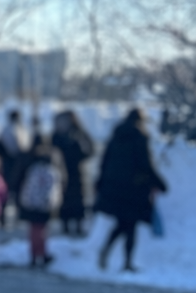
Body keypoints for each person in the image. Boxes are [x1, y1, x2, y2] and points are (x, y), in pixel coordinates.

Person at [95, 108, 168, 273]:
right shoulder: (139, 138)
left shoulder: (115, 137)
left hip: (114, 189)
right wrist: (159, 183)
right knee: (129, 225)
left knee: (124, 224)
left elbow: (104, 162)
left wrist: (101, 184)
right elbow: (145, 164)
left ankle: (110, 252)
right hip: (133, 189)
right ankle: (126, 261)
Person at [16, 134, 65, 267]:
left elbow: (19, 178)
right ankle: (42, 254)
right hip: (45, 203)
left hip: (30, 201)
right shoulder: (53, 162)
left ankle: (34, 254)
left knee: (33, 229)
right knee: (42, 230)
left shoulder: (29, 159)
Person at [52, 109, 94, 237]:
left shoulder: (79, 133)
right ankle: (67, 224)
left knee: (77, 199)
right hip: (63, 171)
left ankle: (77, 224)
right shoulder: (58, 134)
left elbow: (90, 150)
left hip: (77, 171)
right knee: (65, 199)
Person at [0, 109, 29, 228]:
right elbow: (26, 149)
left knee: (5, 195)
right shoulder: (22, 131)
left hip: (6, 166)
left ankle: (2, 218)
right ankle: (18, 218)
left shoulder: (4, 131)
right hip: (19, 167)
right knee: (18, 194)